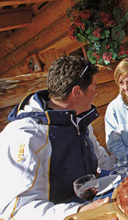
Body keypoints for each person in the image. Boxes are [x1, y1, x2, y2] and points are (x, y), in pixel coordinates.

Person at [0, 56, 114, 220]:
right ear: (76, 92)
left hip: (93, 202)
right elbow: (15, 210)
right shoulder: (24, 135)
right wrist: (78, 213)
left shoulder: (78, 118)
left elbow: (97, 154)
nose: (96, 92)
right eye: (93, 87)